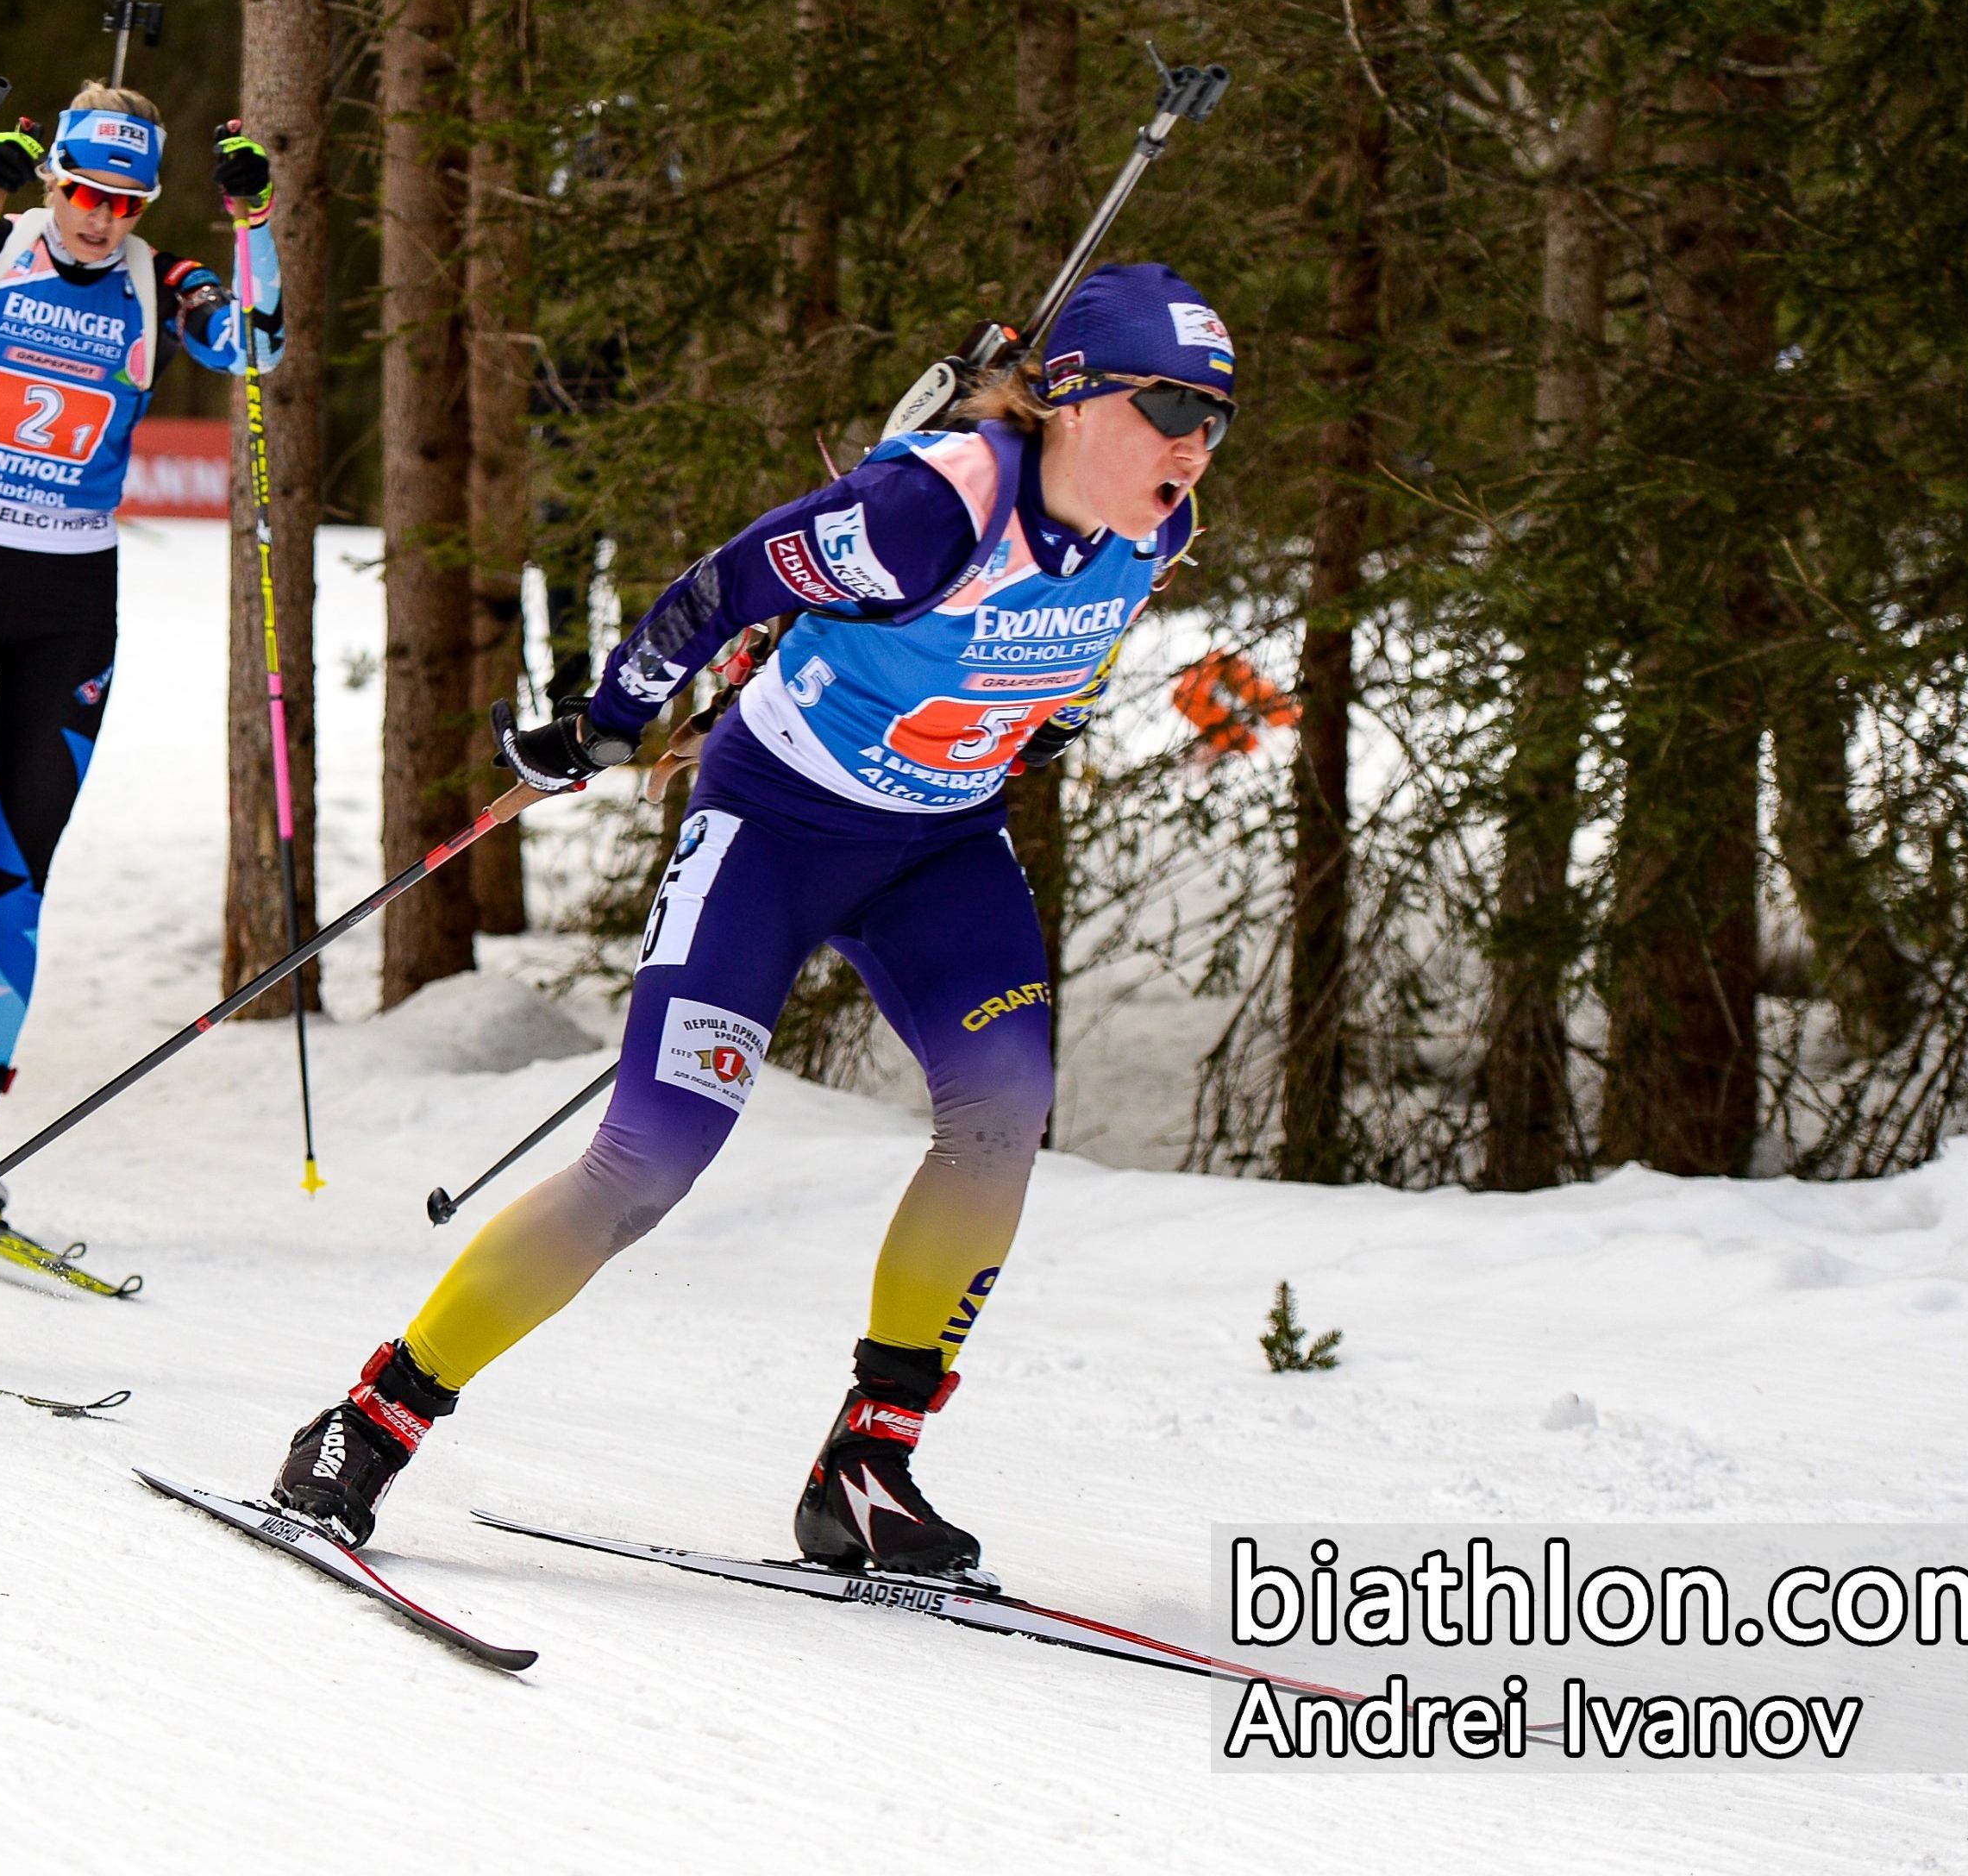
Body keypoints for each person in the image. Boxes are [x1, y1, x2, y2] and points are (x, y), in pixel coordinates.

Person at [265, 265, 1241, 1584]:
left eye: (1215, 418)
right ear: (1068, 396)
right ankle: (371, 1421)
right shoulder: (931, 507)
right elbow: (725, 583)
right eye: (1167, 406)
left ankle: (866, 1469)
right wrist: (612, 718)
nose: (1192, 444)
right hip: (774, 828)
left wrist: (1049, 717)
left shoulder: (1159, 530)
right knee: (650, 1160)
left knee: (1005, 1111)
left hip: (940, 845)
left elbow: (1082, 642)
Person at [0, 85, 279, 1230]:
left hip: (71, 603)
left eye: (124, 202)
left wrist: (254, 224)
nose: (98, 217)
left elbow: (257, 346)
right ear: (55, 181)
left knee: (15, 885)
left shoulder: (161, 281)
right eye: (82, 191)